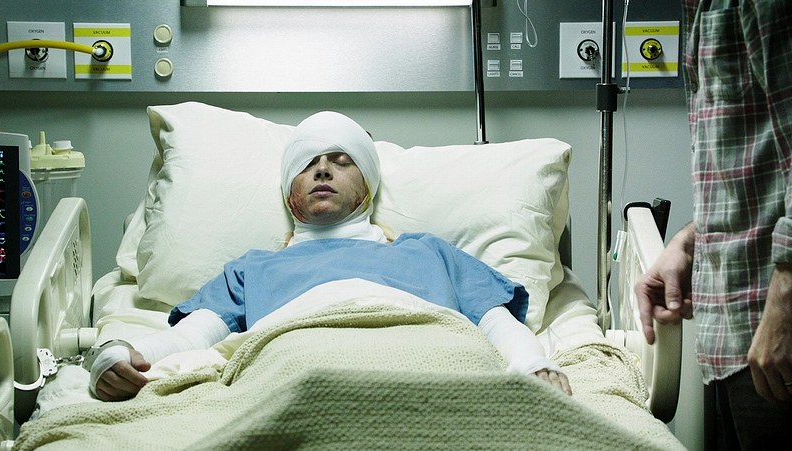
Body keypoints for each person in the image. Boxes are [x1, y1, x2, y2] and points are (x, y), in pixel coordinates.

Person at [87, 111, 571, 402]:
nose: (322, 170)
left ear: (368, 186)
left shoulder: (430, 252)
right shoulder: (253, 268)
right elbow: (189, 337)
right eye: (307, 164)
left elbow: (495, 323)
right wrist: (118, 355)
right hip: (298, 368)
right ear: (289, 192)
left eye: (341, 162)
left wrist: (531, 364)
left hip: (433, 363)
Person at [635, 1, 792, 448]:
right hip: (737, 335)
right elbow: (761, 161)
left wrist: (788, 296)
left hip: (779, 330)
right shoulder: (704, 9)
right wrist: (691, 242)